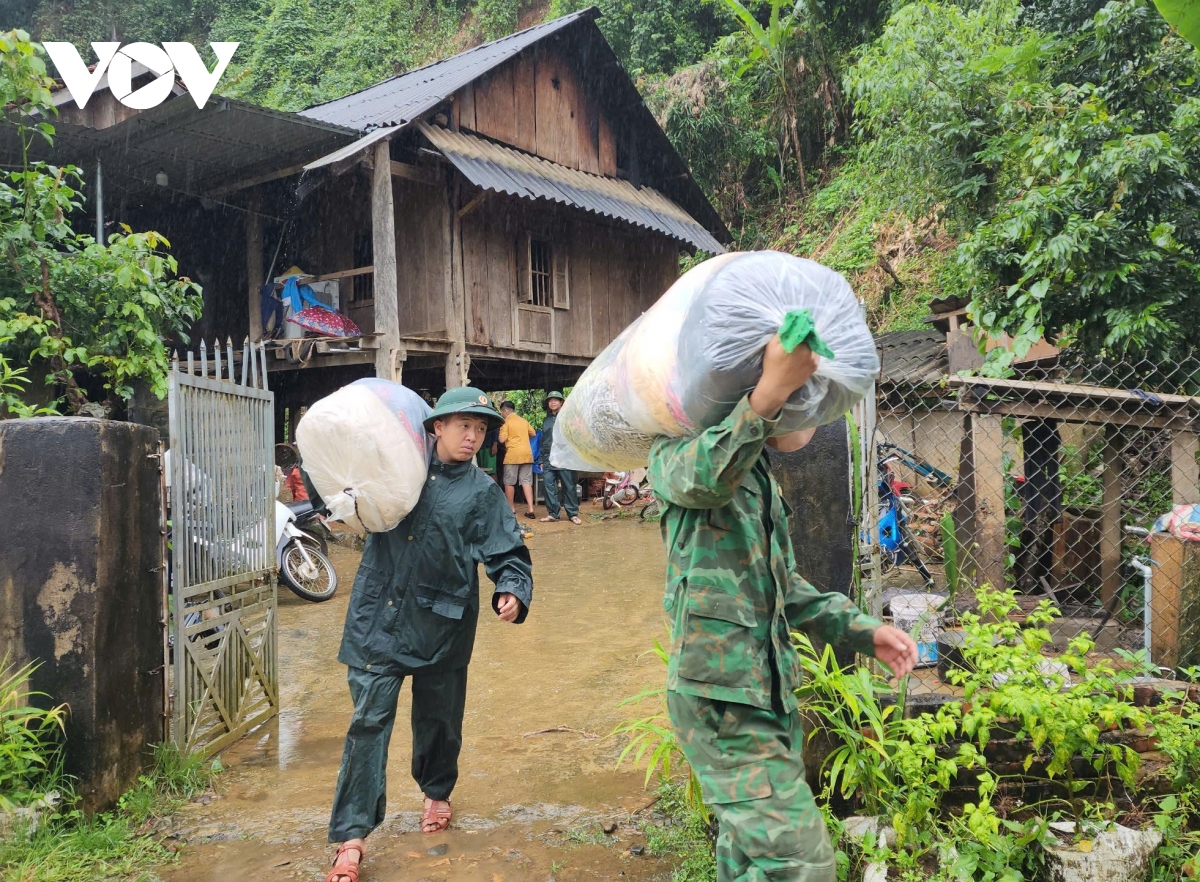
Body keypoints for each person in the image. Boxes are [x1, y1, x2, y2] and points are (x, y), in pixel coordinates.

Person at [646, 336, 919, 882]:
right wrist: (771, 390)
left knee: (746, 860)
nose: (809, 411)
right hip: (721, 702)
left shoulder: (759, 478)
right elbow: (704, 478)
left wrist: (862, 630)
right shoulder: (677, 452)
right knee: (803, 865)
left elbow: (783, 588)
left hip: (764, 696)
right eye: (803, 394)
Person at [324, 386, 533, 882]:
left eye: (482, 429)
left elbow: (508, 553)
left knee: (439, 720)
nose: (473, 437)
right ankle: (351, 837)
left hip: (444, 623)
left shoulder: (482, 492)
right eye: (464, 425)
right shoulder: (398, 471)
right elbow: (342, 495)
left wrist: (512, 588)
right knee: (367, 723)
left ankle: (436, 792)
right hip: (379, 619)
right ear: (436, 426)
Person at [538, 391, 581, 525]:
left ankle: (572, 514)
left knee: (569, 486)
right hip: (548, 458)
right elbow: (544, 440)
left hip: (565, 458)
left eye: (556, 400)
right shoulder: (546, 420)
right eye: (550, 400)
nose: (553, 402)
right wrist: (541, 460)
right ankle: (553, 514)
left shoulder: (568, 418)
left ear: (562, 403)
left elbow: (575, 437)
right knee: (548, 486)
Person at [498, 400, 537, 520]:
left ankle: (511, 508)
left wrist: (501, 436)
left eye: (502, 412)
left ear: (505, 411)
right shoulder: (523, 421)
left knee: (509, 482)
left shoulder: (506, 422)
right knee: (526, 481)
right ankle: (530, 508)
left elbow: (502, 440)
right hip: (527, 454)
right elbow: (533, 433)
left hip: (513, 455)